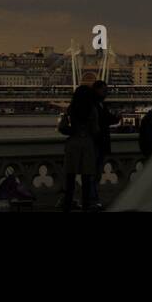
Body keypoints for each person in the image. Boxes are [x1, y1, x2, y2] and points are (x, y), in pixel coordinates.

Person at [61, 84, 100, 212]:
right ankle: (86, 206)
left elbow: (63, 127)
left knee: (70, 178)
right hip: (87, 144)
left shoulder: (72, 109)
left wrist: (73, 130)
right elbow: (95, 130)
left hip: (73, 143)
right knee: (86, 179)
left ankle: (67, 204)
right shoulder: (92, 109)